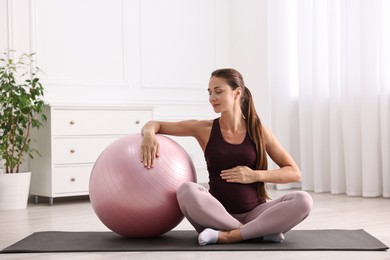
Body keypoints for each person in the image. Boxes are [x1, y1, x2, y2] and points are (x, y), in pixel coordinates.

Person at [140, 68, 313, 246]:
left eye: (218, 91)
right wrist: (148, 135)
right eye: (210, 92)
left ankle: (229, 236)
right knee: (186, 190)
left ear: (237, 92)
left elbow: (294, 173)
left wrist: (255, 175)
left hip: (255, 213)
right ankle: (255, 232)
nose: (212, 97)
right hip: (214, 215)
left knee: (303, 200)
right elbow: (155, 124)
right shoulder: (203, 129)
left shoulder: (259, 132)